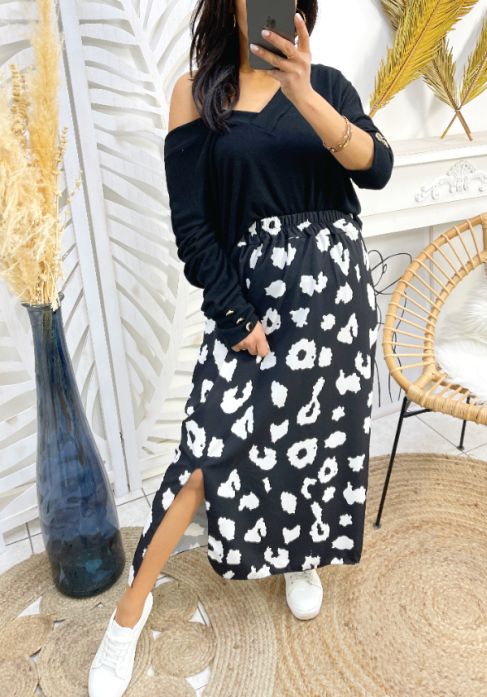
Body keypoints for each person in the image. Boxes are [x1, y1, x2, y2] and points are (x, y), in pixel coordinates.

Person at [88, 2, 393, 695]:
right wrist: (233, 312)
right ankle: (127, 618)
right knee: (202, 461)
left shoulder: (328, 85)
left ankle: (299, 557)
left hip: (335, 307)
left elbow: (377, 168)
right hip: (253, 305)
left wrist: (303, 92)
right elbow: (192, 225)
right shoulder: (197, 93)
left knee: (310, 444)